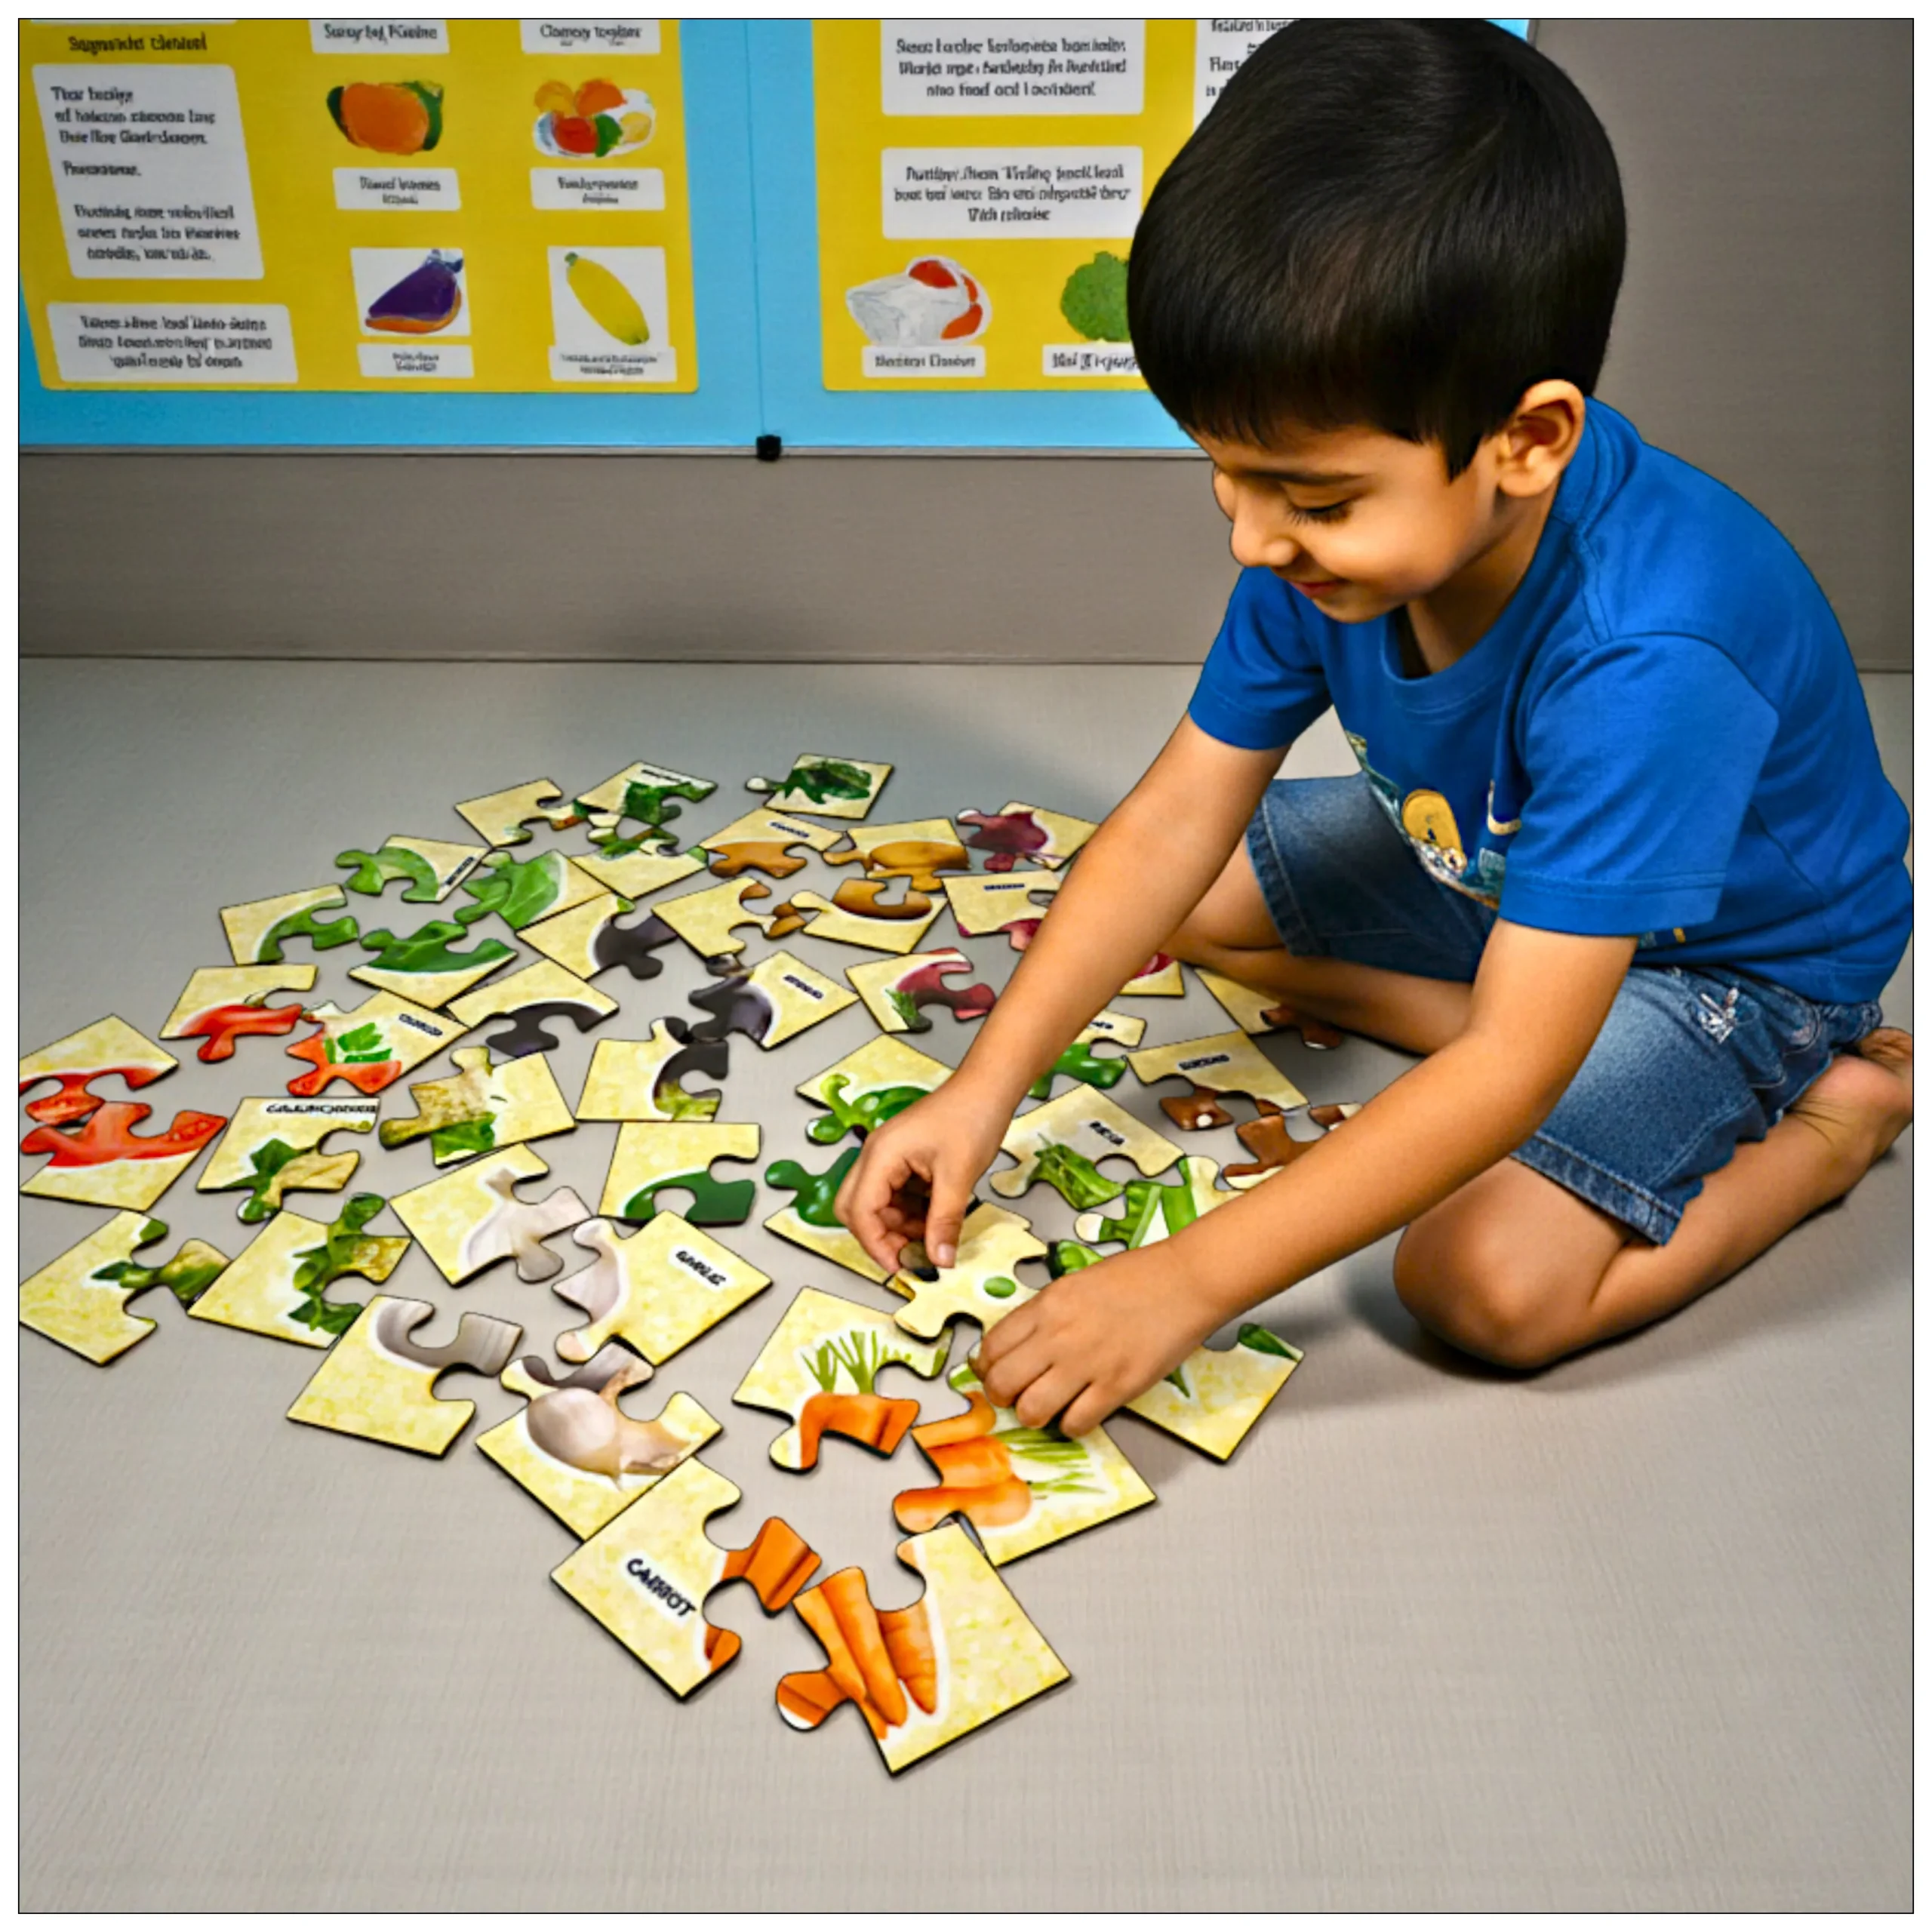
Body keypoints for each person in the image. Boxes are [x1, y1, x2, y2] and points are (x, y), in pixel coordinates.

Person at [833, 18, 1913, 1435]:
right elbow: (1172, 821)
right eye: (1222, 475)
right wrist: (984, 1090)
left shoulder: (1654, 652)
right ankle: (1497, 1011)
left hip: (1734, 969)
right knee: (1196, 898)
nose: (1253, 537)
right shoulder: (1322, 551)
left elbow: (1521, 1081)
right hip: (1496, 868)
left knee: (1482, 1285)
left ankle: (1833, 1122)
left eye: (1312, 497)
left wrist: (1184, 1281)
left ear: (1528, 441)